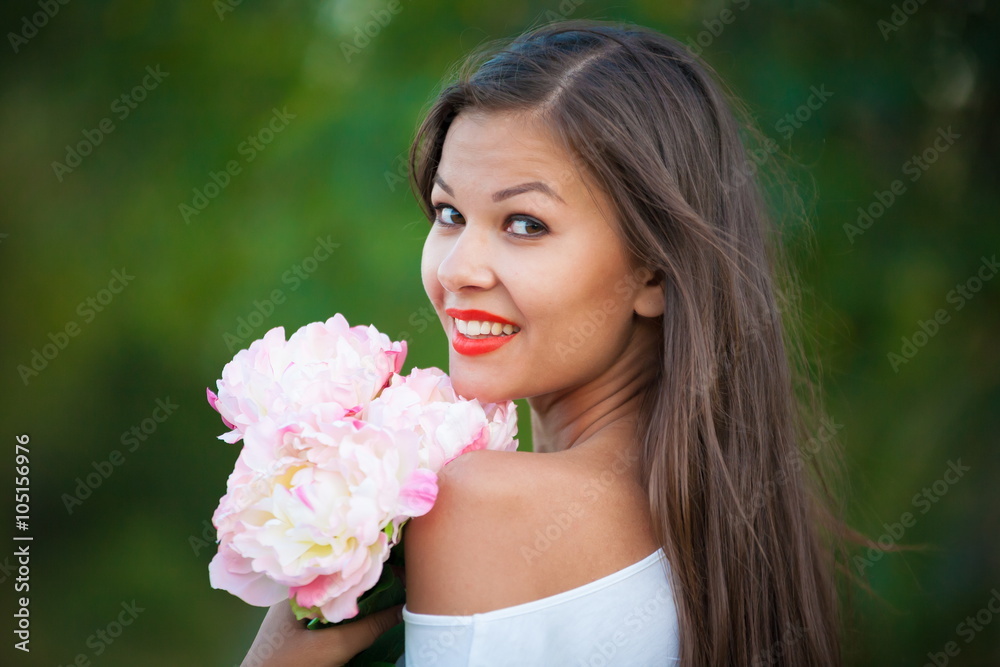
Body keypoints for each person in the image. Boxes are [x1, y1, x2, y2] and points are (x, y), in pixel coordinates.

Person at [246, 17, 850, 666]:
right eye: (449, 213)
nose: (456, 270)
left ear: (653, 272)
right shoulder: (733, 533)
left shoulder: (481, 504)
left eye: (524, 224)